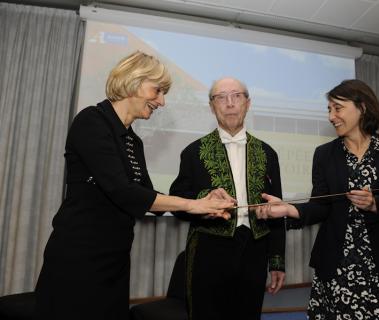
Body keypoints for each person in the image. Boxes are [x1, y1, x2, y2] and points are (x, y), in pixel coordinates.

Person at [34, 51, 233, 320]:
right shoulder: (92, 121)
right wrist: (194, 204)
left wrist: (204, 205)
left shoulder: (132, 140)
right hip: (78, 258)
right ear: (134, 81)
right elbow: (123, 191)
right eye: (158, 90)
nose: (161, 101)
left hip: (114, 261)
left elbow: (151, 199)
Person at [256, 79, 379, 319]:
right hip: (337, 267)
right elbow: (320, 207)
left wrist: (376, 204)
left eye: (337, 108)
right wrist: (290, 210)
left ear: (362, 107)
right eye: (329, 109)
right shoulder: (324, 155)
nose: (331, 116)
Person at [169, 77, 286, 320]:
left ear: (248, 103)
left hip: (255, 249)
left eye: (237, 96)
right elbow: (178, 201)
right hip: (208, 249)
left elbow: (277, 209)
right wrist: (204, 200)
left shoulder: (268, 153)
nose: (230, 103)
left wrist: (277, 261)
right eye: (221, 97)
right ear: (212, 107)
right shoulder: (192, 152)